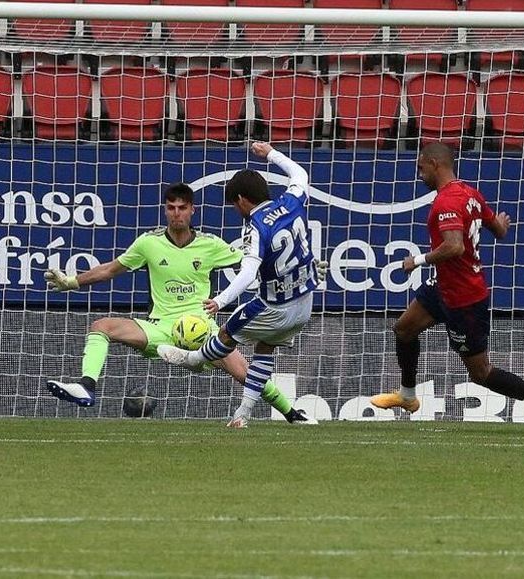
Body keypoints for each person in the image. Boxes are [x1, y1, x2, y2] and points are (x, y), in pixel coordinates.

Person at [44, 181, 320, 425]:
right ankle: (86, 386)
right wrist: (71, 282)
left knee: (246, 373)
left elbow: (255, 262)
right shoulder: (148, 243)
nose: (177, 213)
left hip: (202, 331)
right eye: (171, 208)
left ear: (192, 211)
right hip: (161, 329)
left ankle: (291, 413)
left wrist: (298, 272)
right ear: (165, 210)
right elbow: (109, 270)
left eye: (182, 208)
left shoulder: (211, 244)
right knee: (102, 325)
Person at [368, 142, 524, 433]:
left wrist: (416, 260)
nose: (418, 174)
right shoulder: (470, 194)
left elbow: (454, 247)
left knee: (481, 373)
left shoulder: (446, 203)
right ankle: (407, 396)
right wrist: (501, 223)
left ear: (435, 164)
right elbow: (499, 230)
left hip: (464, 298)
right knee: (404, 329)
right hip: (443, 286)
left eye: (420, 167)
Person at [157, 143, 320, 429]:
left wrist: (220, 300)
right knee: (265, 348)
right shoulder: (292, 201)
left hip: (274, 306)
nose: (236, 209)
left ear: (242, 199)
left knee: (225, 335)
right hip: (305, 303)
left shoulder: (256, 226)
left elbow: (247, 272)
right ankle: (242, 415)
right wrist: (271, 154)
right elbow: (300, 174)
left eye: (234, 204)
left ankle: (194, 359)